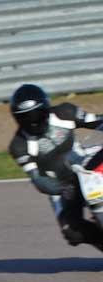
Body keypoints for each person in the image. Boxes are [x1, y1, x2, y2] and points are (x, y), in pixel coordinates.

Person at [8, 83, 103, 250]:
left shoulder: (64, 113)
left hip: (85, 166)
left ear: (45, 108)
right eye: (26, 117)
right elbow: (37, 179)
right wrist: (58, 189)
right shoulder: (19, 146)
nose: (33, 121)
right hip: (62, 185)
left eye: (37, 115)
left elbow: (96, 121)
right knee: (71, 232)